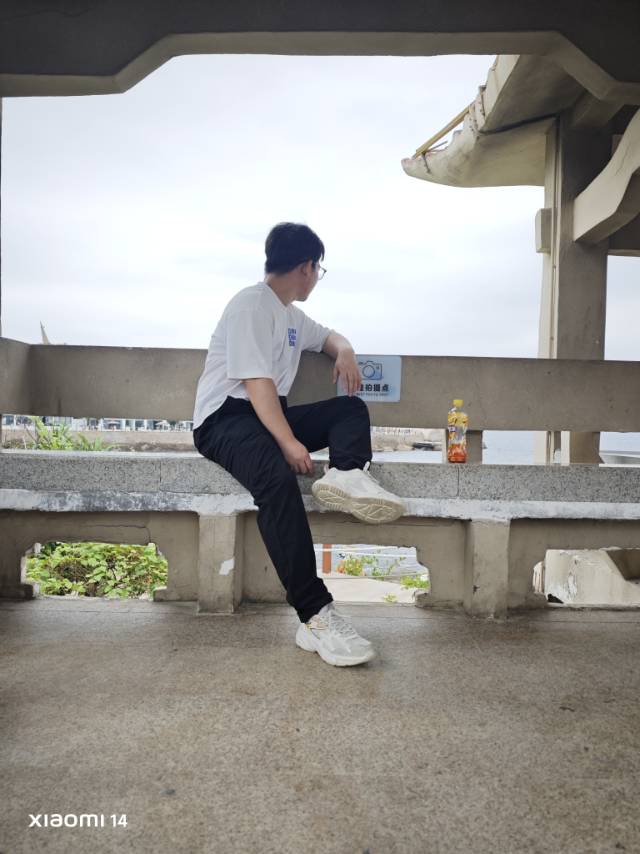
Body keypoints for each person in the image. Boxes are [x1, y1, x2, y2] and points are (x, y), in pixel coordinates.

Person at [192, 222, 406, 667]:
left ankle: (347, 474)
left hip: (266, 414)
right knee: (276, 481)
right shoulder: (252, 305)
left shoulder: (289, 314)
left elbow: (328, 337)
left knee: (349, 409)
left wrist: (345, 350)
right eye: (318, 270)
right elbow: (256, 382)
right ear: (306, 267)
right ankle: (315, 616)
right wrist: (288, 442)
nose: (316, 278)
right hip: (224, 419)